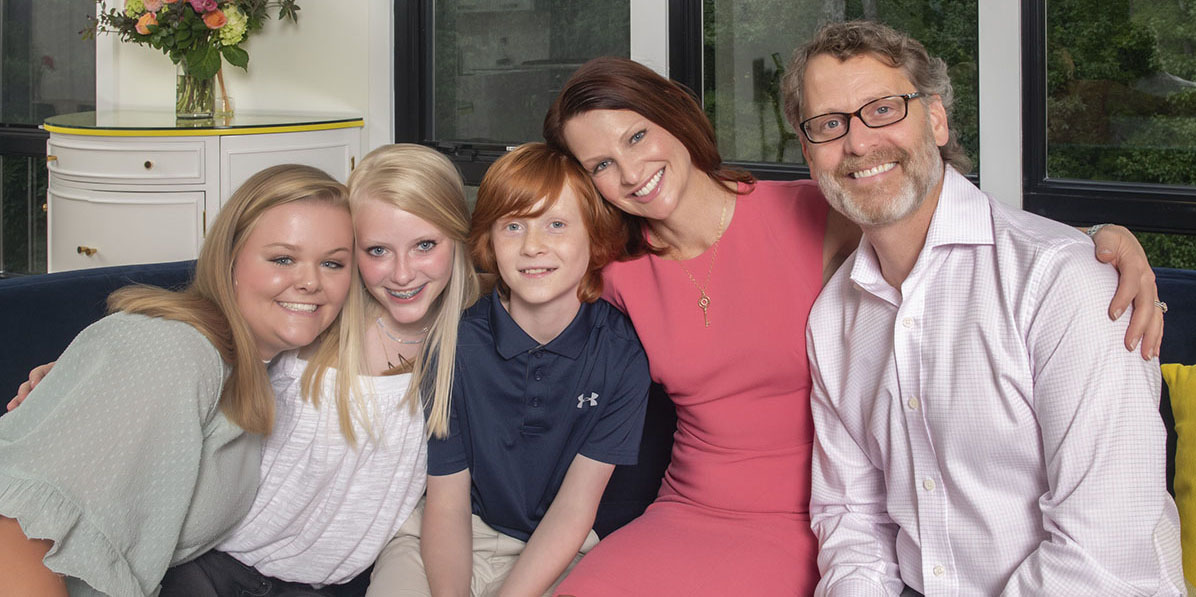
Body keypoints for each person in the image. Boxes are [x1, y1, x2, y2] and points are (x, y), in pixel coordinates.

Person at [541, 56, 1166, 595]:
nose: (628, 171)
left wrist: (1096, 244)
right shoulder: (614, 271)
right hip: (686, 509)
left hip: (813, 523)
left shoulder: (815, 208)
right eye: (598, 165)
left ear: (674, 118)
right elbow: (509, 273)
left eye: (636, 137)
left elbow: (957, 230)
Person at [788, 21, 1182, 595]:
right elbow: (854, 520)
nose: (858, 142)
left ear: (937, 120)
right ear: (808, 151)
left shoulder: (1066, 282)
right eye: (829, 124)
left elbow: (1101, 555)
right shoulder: (832, 320)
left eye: (883, 109)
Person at [0, 164, 355, 597]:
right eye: (283, 258)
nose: (310, 282)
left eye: (333, 263)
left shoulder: (253, 369)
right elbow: (12, 537)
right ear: (229, 262)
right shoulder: (173, 352)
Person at [154, 143, 481, 596]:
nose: (403, 273)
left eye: (425, 245)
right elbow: (210, 331)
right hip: (207, 564)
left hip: (317, 587)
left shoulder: (469, 346)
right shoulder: (317, 315)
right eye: (378, 250)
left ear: (459, 238)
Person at [366, 142, 650, 597]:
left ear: (595, 238)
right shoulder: (454, 342)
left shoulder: (621, 354)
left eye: (556, 225)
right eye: (513, 226)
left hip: (566, 549)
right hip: (451, 537)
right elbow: (447, 503)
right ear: (489, 243)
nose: (533, 246)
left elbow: (576, 508)